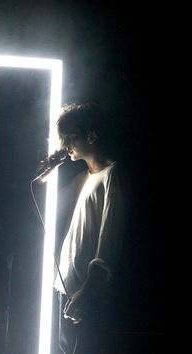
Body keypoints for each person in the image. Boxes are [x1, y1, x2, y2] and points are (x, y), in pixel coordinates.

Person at [54, 102, 129, 354]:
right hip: (66, 287)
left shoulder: (113, 175)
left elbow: (108, 243)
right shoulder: (83, 177)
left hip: (85, 294)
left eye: (70, 137)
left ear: (92, 136)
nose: (66, 145)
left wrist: (87, 292)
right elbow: (45, 208)